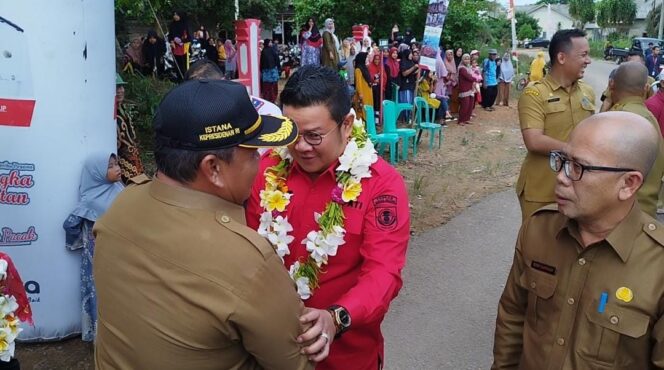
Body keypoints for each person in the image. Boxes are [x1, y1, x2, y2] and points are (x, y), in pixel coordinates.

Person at [93, 79, 315, 370]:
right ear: (213, 169)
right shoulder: (247, 261)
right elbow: (295, 364)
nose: (258, 165)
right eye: (252, 155)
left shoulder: (121, 206)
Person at [245, 64, 410, 370]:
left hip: (346, 356)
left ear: (346, 124)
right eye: (293, 133)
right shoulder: (266, 169)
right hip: (269, 354)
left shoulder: (381, 184)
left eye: (314, 136)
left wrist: (336, 317)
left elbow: (383, 273)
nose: (301, 146)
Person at [492, 111, 664, 369]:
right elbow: (513, 317)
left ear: (629, 183)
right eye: (562, 161)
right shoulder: (539, 229)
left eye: (579, 167)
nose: (561, 176)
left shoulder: (657, 264)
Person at [516, 29, 595, 221]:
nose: (588, 60)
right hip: (543, 189)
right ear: (561, 57)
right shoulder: (534, 94)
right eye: (583, 55)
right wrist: (574, 151)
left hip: (578, 189)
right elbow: (534, 140)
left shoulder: (587, 92)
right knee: (537, 247)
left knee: (572, 247)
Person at [63, 152, 124, 342]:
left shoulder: (120, 189)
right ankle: (101, 337)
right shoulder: (90, 200)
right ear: (96, 173)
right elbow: (70, 224)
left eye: (116, 164)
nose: (117, 168)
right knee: (100, 293)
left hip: (122, 256)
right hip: (98, 259)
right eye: (111, 166)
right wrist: (79, 243)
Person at [608, 61, 664, 217]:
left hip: (622, 213)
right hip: (644, 210)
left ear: (612, 84)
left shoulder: (618, 117)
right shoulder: (648, 117)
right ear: (646, 88)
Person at [115, 74, 145, 184]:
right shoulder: (110, 115)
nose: (119, 91)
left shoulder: (123, 110)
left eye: (121, 87)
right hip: (121, 161)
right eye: (116, 88)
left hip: (134, 158)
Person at [167, 11, 191, 80]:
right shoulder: (172, 25)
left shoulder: (184, 25)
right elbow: (170, 35)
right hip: (175, 47)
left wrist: (181, 40)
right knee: (177, 64)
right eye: (174, 15)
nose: (175, 16)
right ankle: (179, 79)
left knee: (184, 64)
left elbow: (188, 37)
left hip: (184, 47)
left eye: (177, 15)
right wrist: (171, 41)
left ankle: (186, 79)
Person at [399, 49, 420, 122]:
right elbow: (404, 73)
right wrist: (414, 68)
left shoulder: (411, 62)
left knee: (411, 101)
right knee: (406, 101)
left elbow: (412, 73)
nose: (411, 55)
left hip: (411, 84)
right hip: (405, 85)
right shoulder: (403, 62)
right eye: (410, 54)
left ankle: (410, 117)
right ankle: (406, 118)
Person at [458, 54, 476, 126]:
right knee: (465, 105)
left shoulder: (469, 68)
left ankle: (466, 119)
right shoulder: (461, 68)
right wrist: (475, 79)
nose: (467, 60)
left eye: (468, 59)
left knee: (470, 105)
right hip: (464, 89)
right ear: (462, 60)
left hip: (470, 88)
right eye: (465, 59)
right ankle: (461, 120)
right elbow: (469, 77)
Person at [260, 39, 280, 103]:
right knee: (272, 86)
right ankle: (272, 99)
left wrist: (261, 69)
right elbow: (277, 59)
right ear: (267, 43)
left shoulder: (264, 51)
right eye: (270, 42)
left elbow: (262, 62)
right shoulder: (271, 50)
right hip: (271, 71)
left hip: (267, 72)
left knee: (268, 87)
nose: (271, 43)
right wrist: (279, 67)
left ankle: (268, 99)